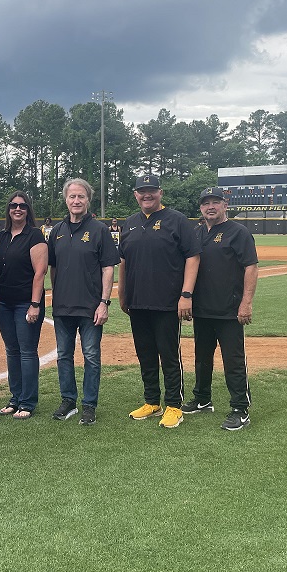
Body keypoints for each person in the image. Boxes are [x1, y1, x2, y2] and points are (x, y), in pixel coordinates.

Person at [118, 174, 201, 429]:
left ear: (160, 193)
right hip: (138, 302)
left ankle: (174, 405)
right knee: (145, 354)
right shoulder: (129, 223)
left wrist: (186, 295)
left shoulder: (176, 220)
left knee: (168, 354)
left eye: (151, 191)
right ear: (135, 194)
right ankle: (152, 401)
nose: (147, 195)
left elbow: (193, 257)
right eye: (142, 191)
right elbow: (123, 261)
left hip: (167, 302)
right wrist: (122, 294)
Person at [185, 187, 259, 431]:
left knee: (233, 360)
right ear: (201, 208)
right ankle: (202, 399)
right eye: (206, 203)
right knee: (202, 357)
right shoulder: (195, 233)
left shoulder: (238, 232)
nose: (210, 207)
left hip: (229, 309)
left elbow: (250, 267)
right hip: (202, 308)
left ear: (225, 205)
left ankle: (240, 408)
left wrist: (246, 303)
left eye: (215, 202)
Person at [47, 178, 119, 425]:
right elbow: (53, 269)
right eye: (72, 197)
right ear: (65, 200)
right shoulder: (57, 231)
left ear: (88, 200)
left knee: (91, 356)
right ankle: (68, 401)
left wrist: (104, 302)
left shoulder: (99, 230)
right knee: (64, 356)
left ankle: (89, 405)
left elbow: (108, 268)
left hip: (91, 307)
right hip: (63, 307)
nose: (76, 201)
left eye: (81, 197)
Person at [0, 191, 48, 419]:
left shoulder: (34, 235)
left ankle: (27, 402)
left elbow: (40, 273)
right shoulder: (2, 236)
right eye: (14, 205)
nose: (18, 209)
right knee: (11, 351)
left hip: (26, 302)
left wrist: (35, 304)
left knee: (27, 352)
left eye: (23, 206)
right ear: (8, 209)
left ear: (28, 210)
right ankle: (15, 398)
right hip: (3, 301)